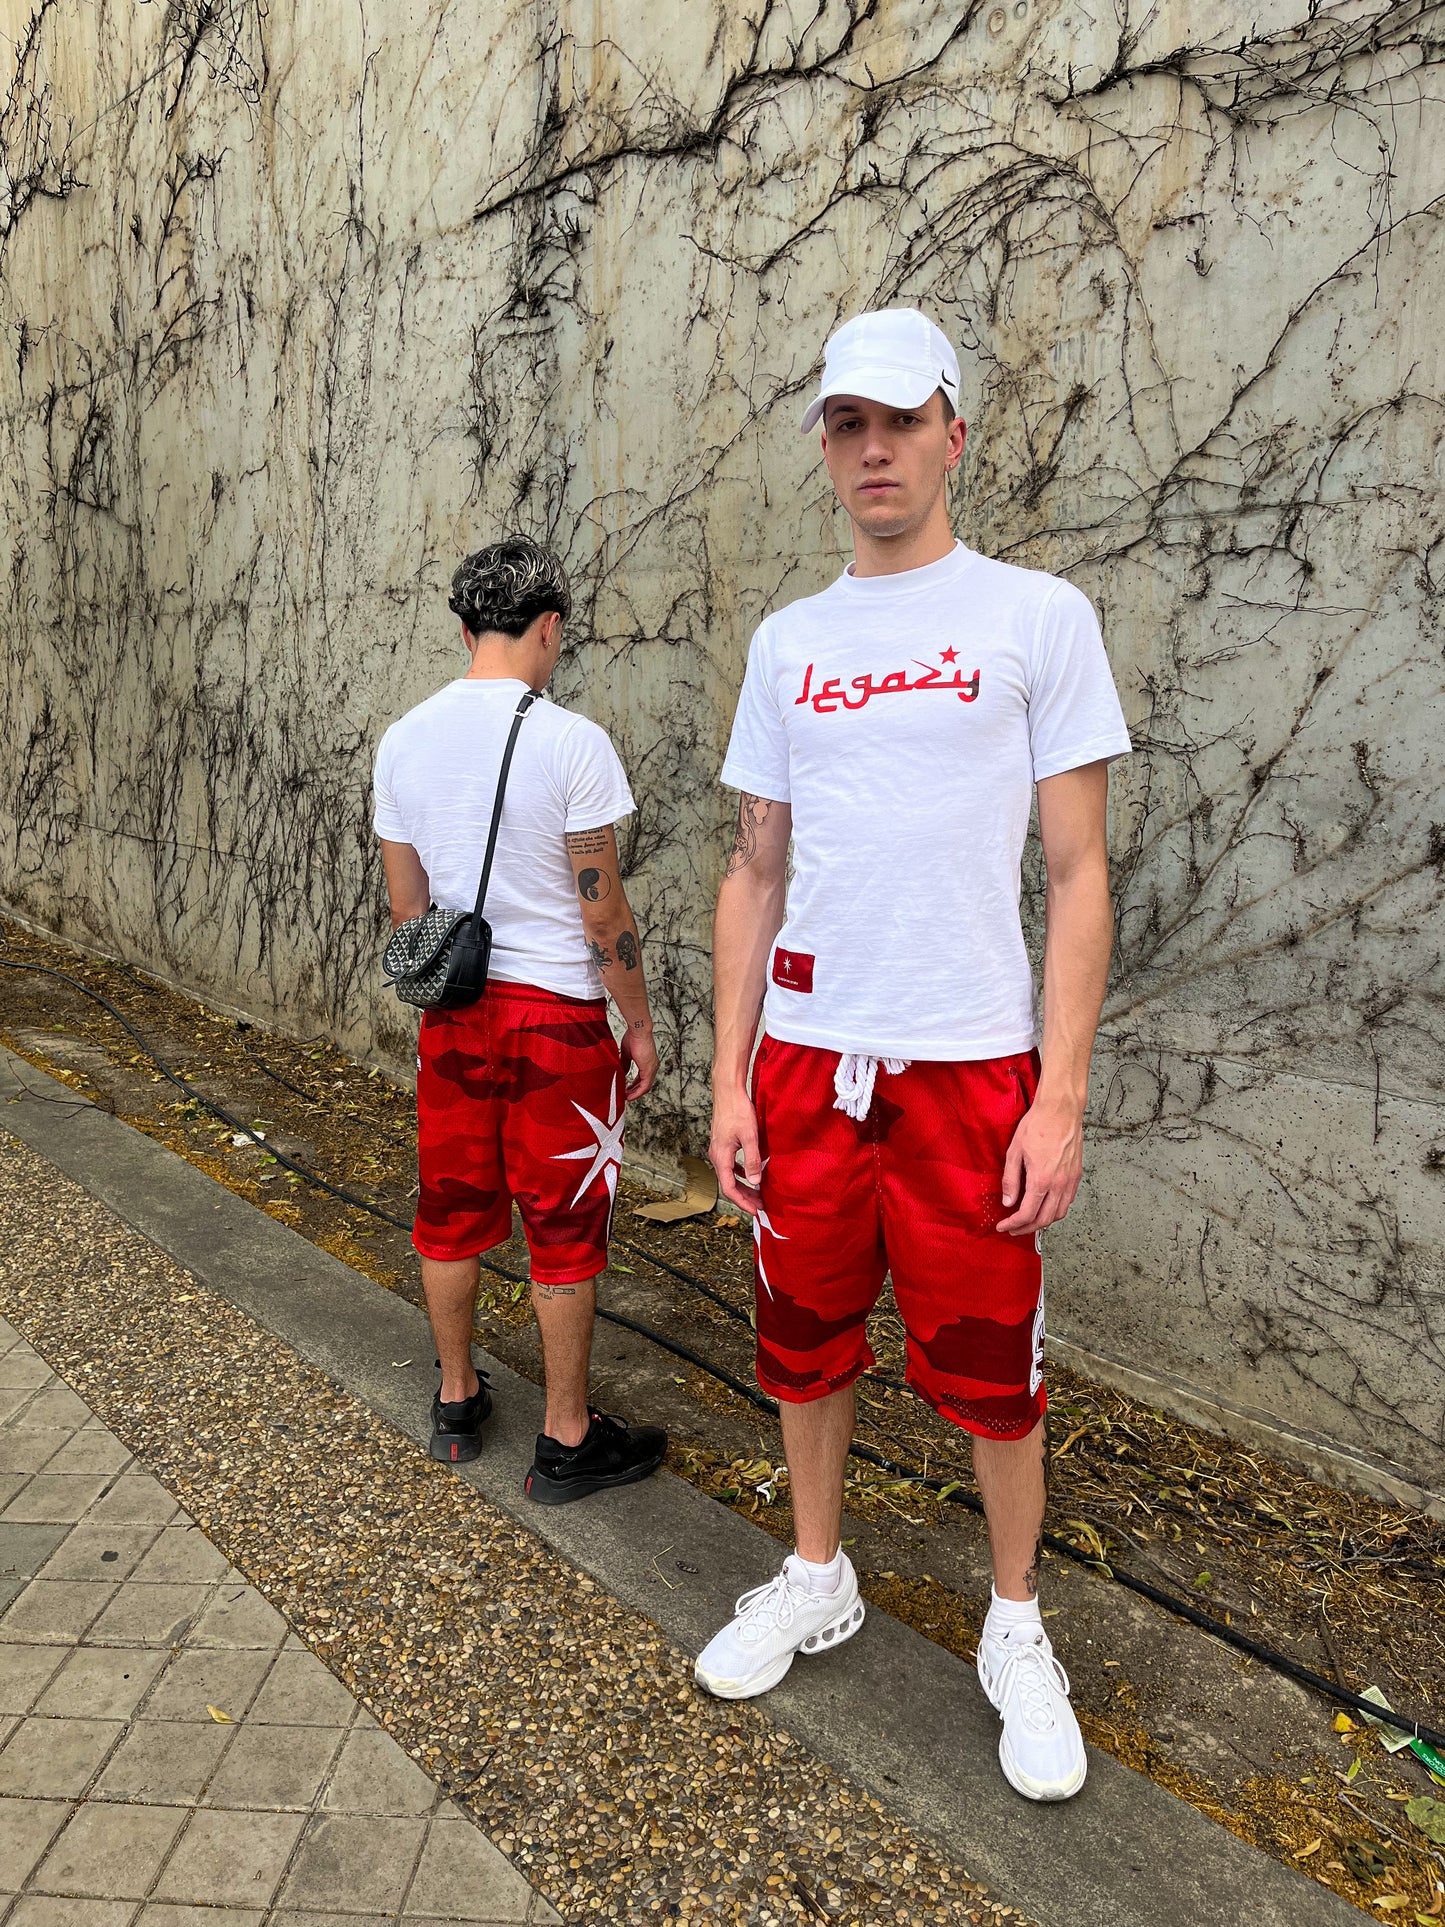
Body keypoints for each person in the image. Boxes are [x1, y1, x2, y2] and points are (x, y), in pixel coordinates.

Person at [698, 309, 1132, 1802]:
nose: (871, 447)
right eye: (843, 424)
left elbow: (1078, 874)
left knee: (987, 1369)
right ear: (824, 445)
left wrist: (1058, 1094)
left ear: (953, 430)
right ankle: (818, 1568)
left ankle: (1014, 1618)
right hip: (811, 1064)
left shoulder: (1033, 616)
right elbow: (755, 870)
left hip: (968, 1069)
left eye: (898, 419)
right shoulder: (790, 643)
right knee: (803, 1338)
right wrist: (728, 1074)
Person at [374, 534, 667, 1505]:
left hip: (455, 1021)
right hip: (559, 1025)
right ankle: (565, 1436)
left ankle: (457, 1400)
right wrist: (637, 1023)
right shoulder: (570, 742)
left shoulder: (403, 741)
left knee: (451, 1208)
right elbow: (601, 908)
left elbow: (407, 911)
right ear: (548, 627)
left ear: (464, 629)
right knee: (564, 1227)